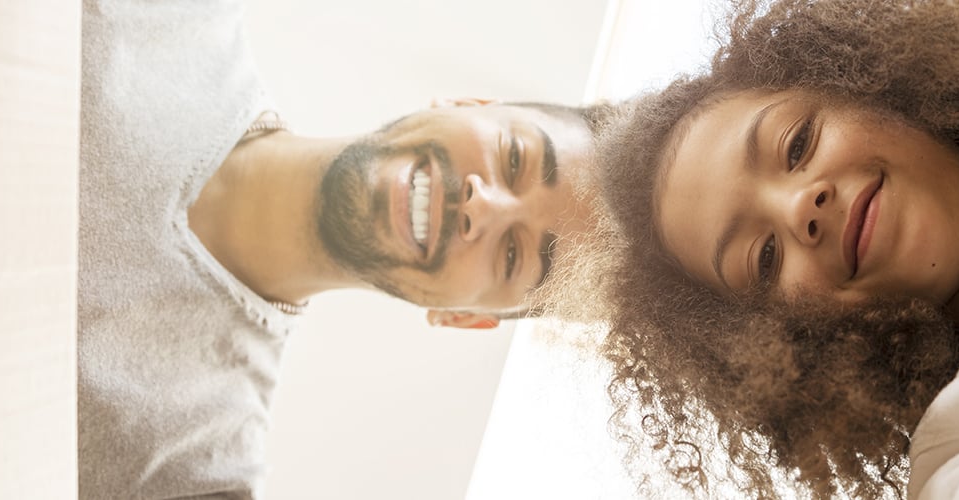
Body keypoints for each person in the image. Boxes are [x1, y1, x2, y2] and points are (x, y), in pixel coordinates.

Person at [580, 0, 959, 498]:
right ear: (784, 339)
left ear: (870, 86)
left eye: (796, 144)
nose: (801, 207)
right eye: (764, 259)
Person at [80, 0, 602, 497]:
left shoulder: (196, 475)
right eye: (514, 158)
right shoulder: (168, 15)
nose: (481, 206)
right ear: (467, 105)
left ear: (462, 316)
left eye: (514, 255)